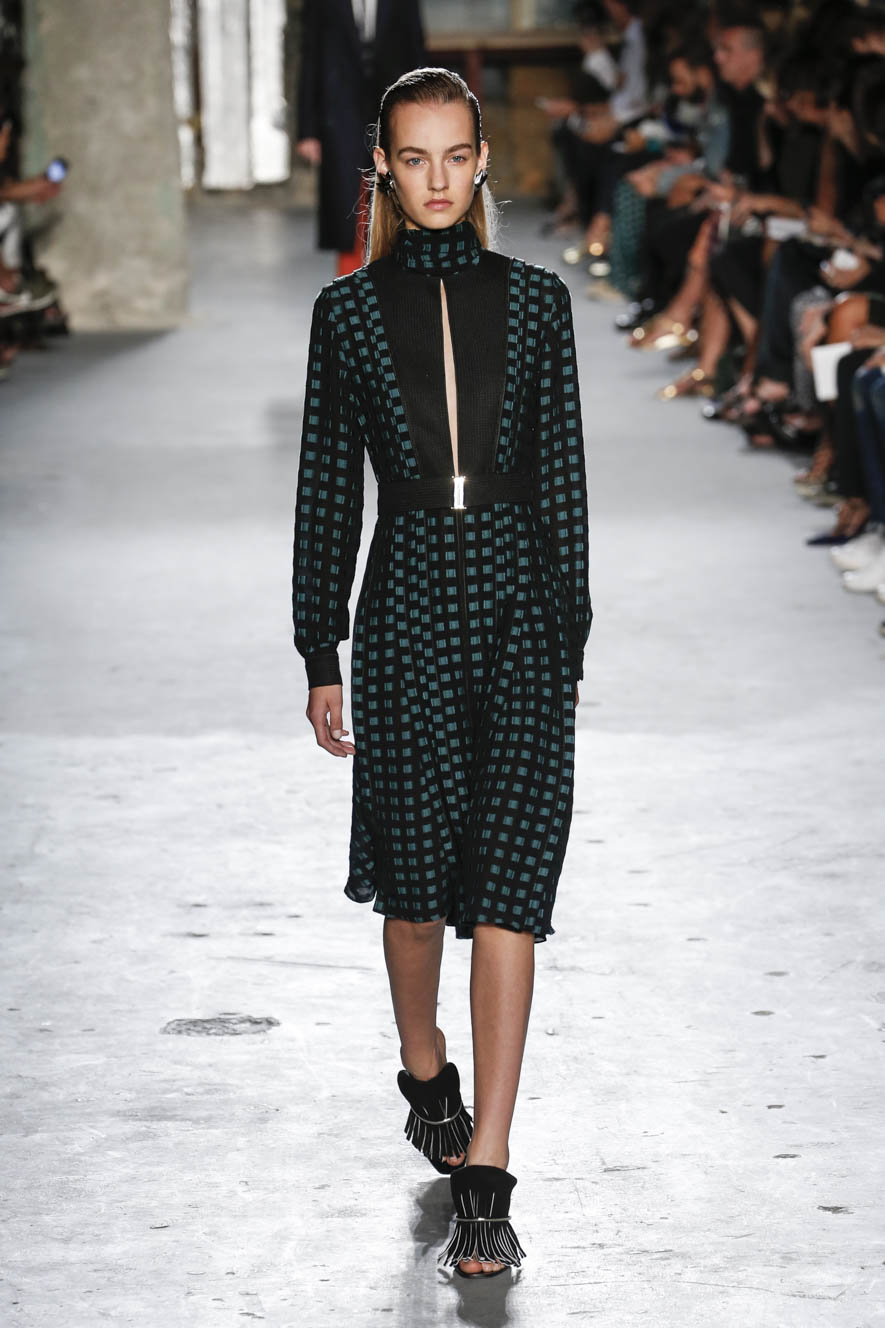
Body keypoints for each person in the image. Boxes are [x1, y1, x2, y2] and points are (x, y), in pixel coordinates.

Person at [291, 67, 592, 1278]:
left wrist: (570, 632)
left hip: (520, 603)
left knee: (510, 890)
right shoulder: (348, 315)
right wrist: (320, 647)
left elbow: (564, 479)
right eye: (412, 158)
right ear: (383, 165)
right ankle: (425, 1067)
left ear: (481, 162)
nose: (435, 178)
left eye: (455, 156)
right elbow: (328, 488)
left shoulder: (539, 303)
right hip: (408, 600)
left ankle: (489, 1171)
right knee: (415, 894)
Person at [294, 0, 425, 275]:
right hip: (339, 112)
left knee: (396, 197)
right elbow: (311, 56)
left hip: (394, 107)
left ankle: (394, 281)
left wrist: (423, 115)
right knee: (348, 206)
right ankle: (350, 285)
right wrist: (308, 130)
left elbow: (416, 50)